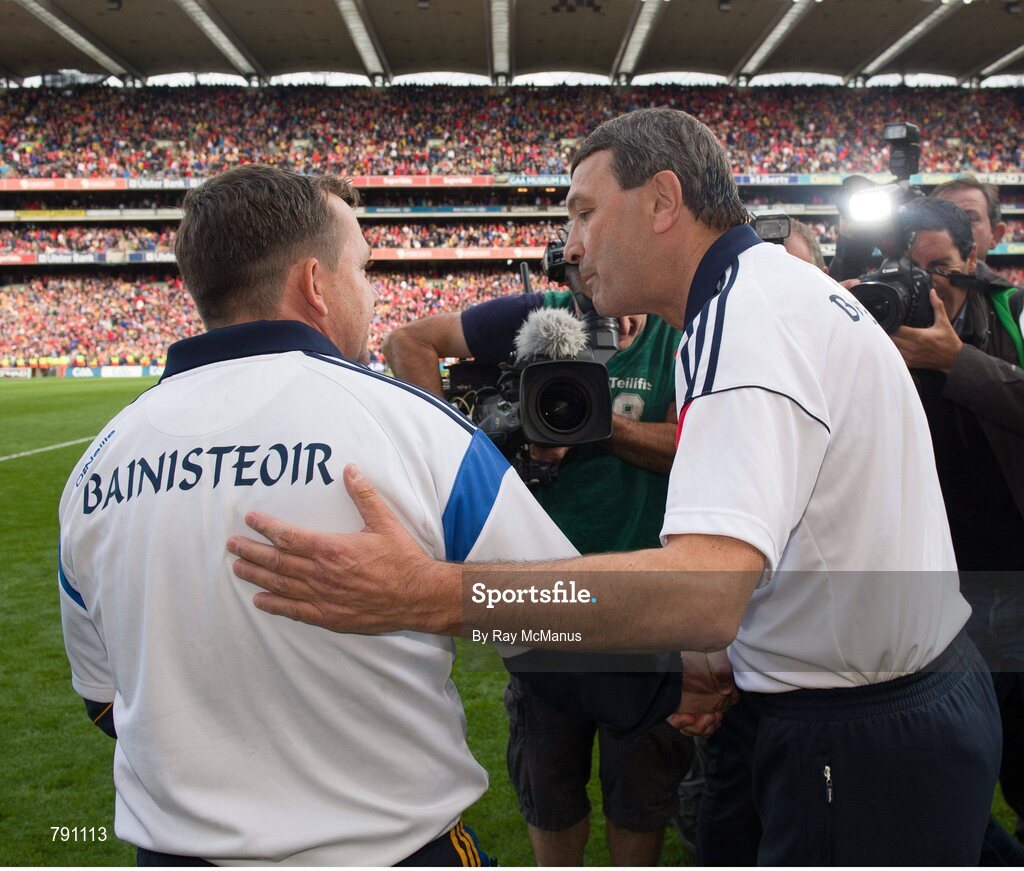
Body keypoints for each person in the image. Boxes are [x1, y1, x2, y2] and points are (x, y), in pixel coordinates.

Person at [227, 109, 1001, 866]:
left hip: (855, 728)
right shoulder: (765, 295)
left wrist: (434, 593)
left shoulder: (746, 321)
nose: (571, 244)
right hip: (869, 697)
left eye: (586, 212)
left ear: (664, 201)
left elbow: (704, 591)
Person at [59, 164, 613, 866]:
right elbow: (575, 633)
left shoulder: (95, 468)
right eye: (363, 269)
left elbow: (105, 702)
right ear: (315, 285)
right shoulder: (417, 429)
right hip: (392, 848)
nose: (372, 294)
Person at [384, 268, 691, 865]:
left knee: (641, 789)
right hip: (541, 597)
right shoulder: (534, 314)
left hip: (643, 597)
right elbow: (407, 342)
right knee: (548, 782)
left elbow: (688, 445)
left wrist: (595, 423)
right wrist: (460, 442)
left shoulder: (677, 334)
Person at [897, 197, 1024, 858]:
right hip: (943, 585)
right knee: (950, 763)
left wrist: (954, 361)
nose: (929, 286)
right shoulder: (883, 330)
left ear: (973, 256)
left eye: (941, 267)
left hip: (1014, 571)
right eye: (914, 271)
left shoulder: (1013, 312)